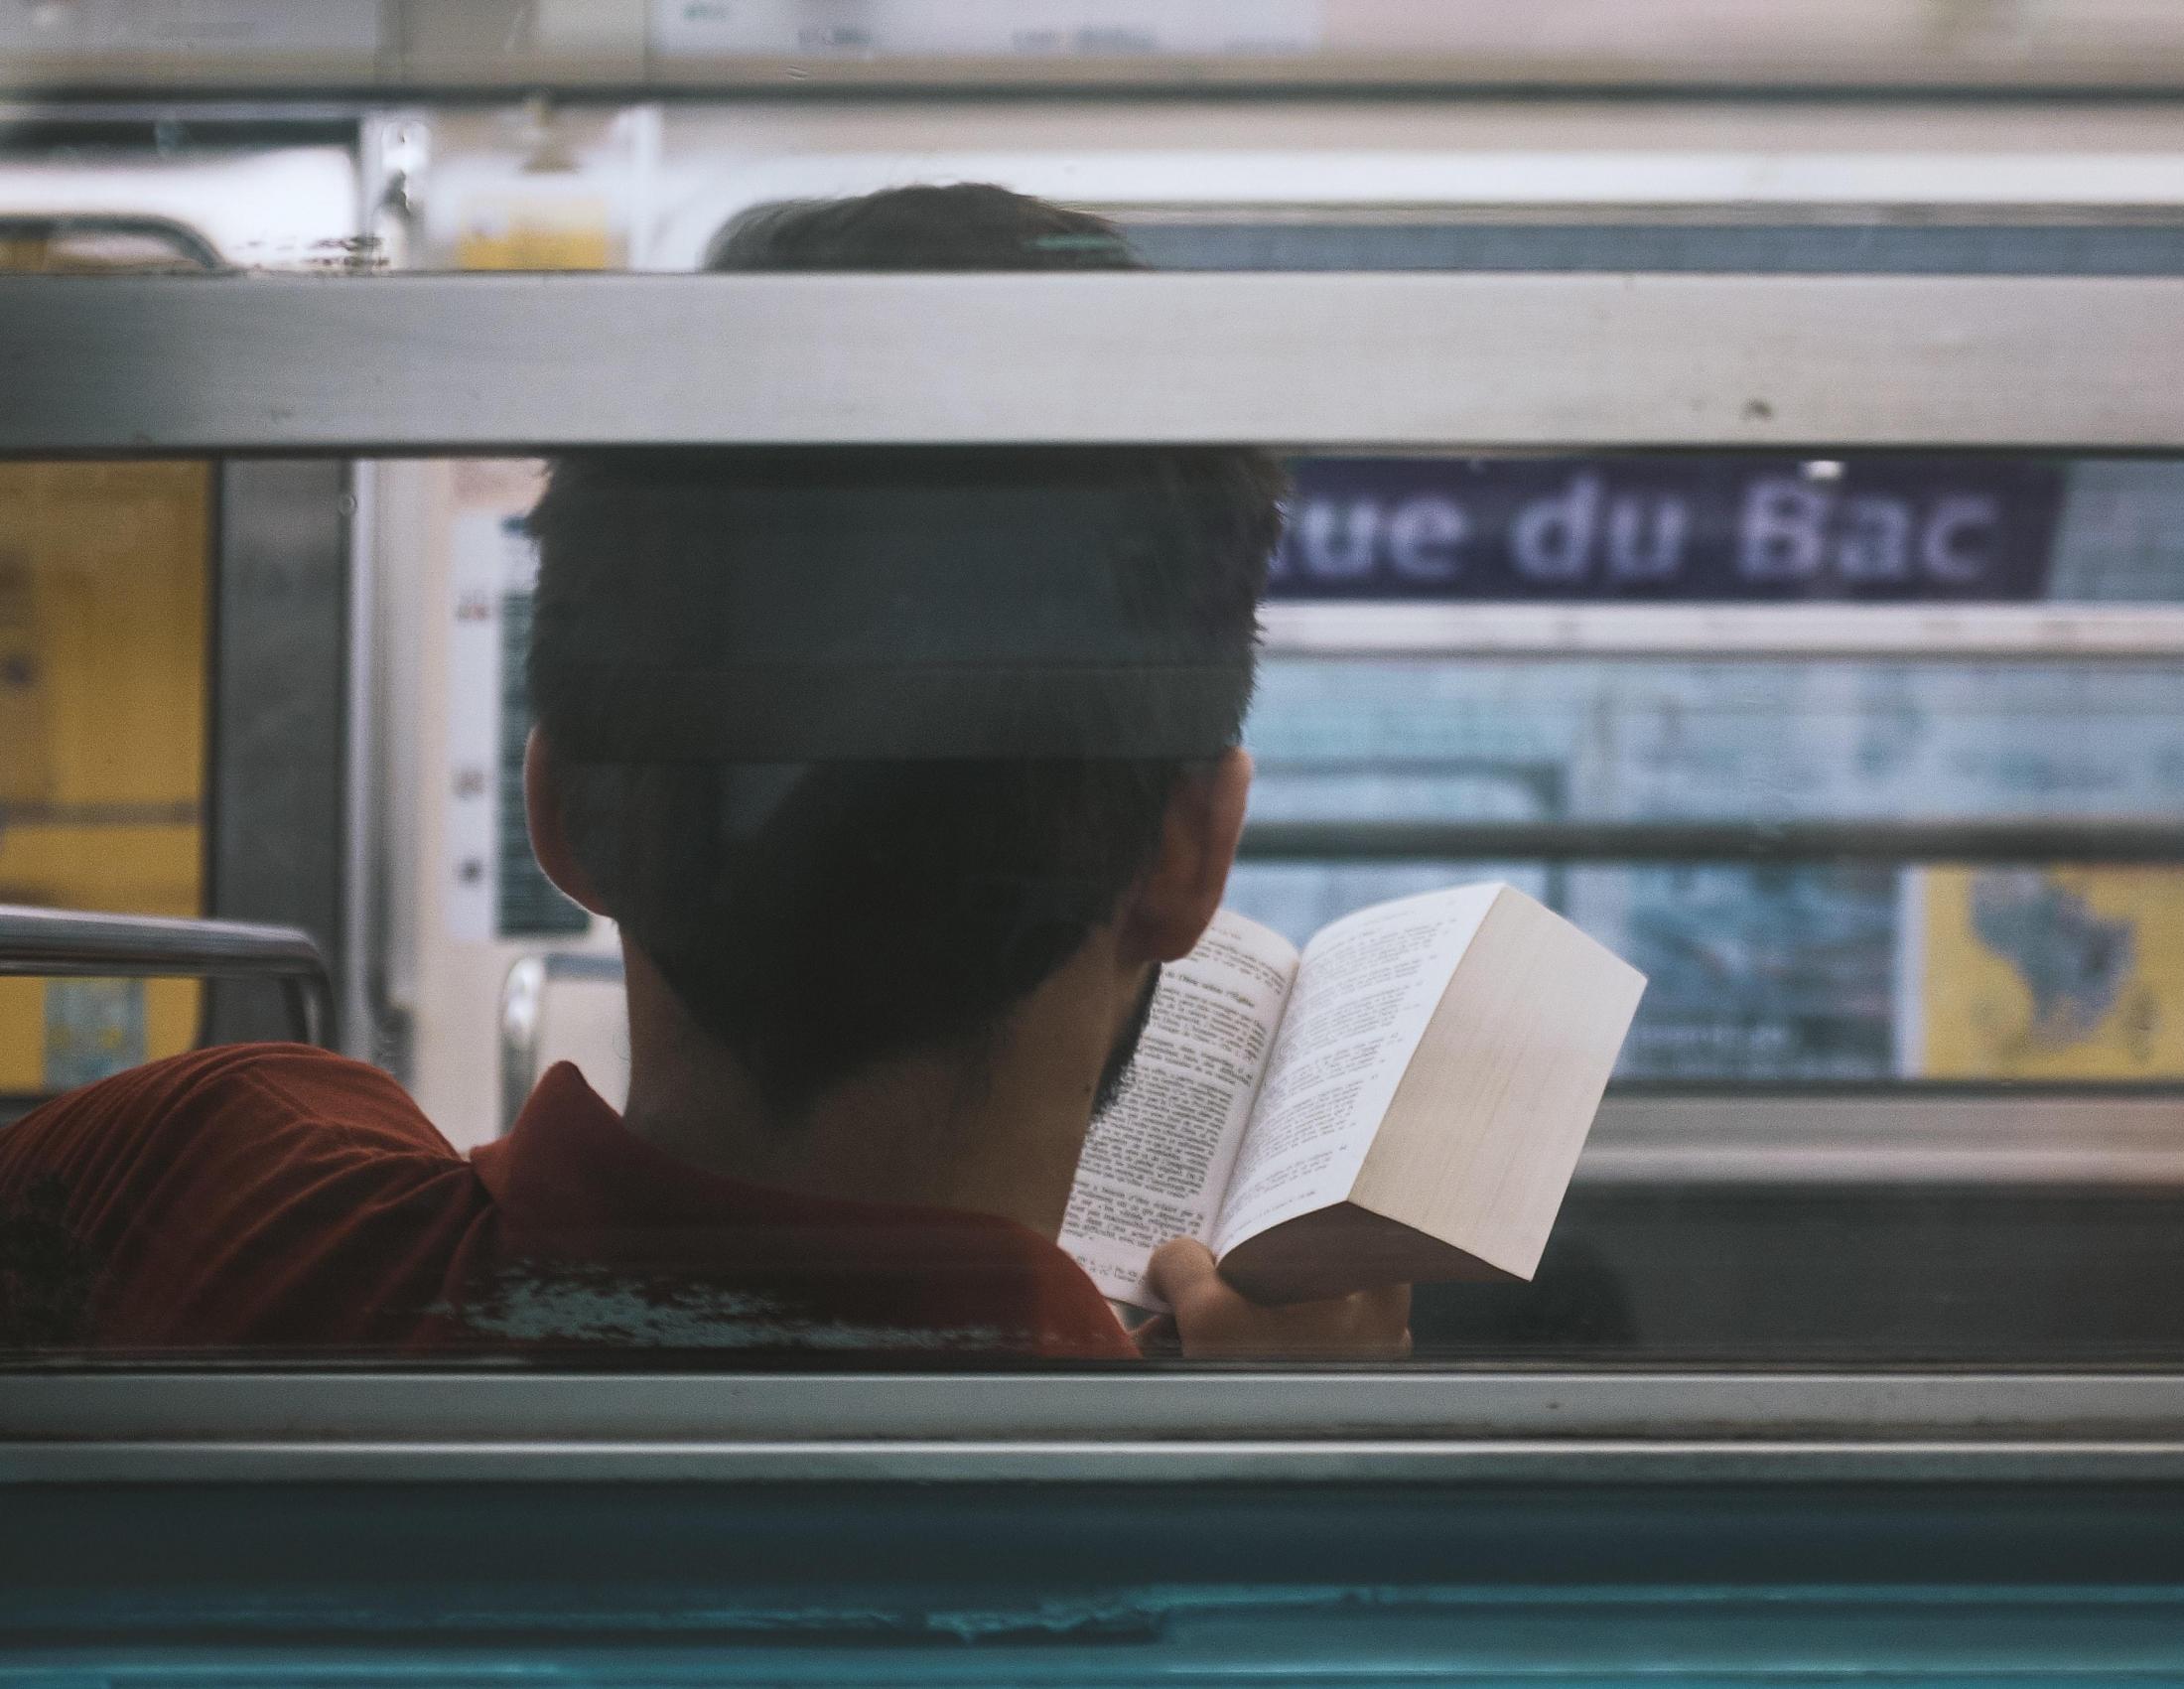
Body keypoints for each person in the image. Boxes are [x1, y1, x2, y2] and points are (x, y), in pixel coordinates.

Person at [0, 185, 1411, 1360]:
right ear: (1190, 855)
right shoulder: (1162, 1519)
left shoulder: (206, 1170)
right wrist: (1281, 1440)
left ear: (563, 811)